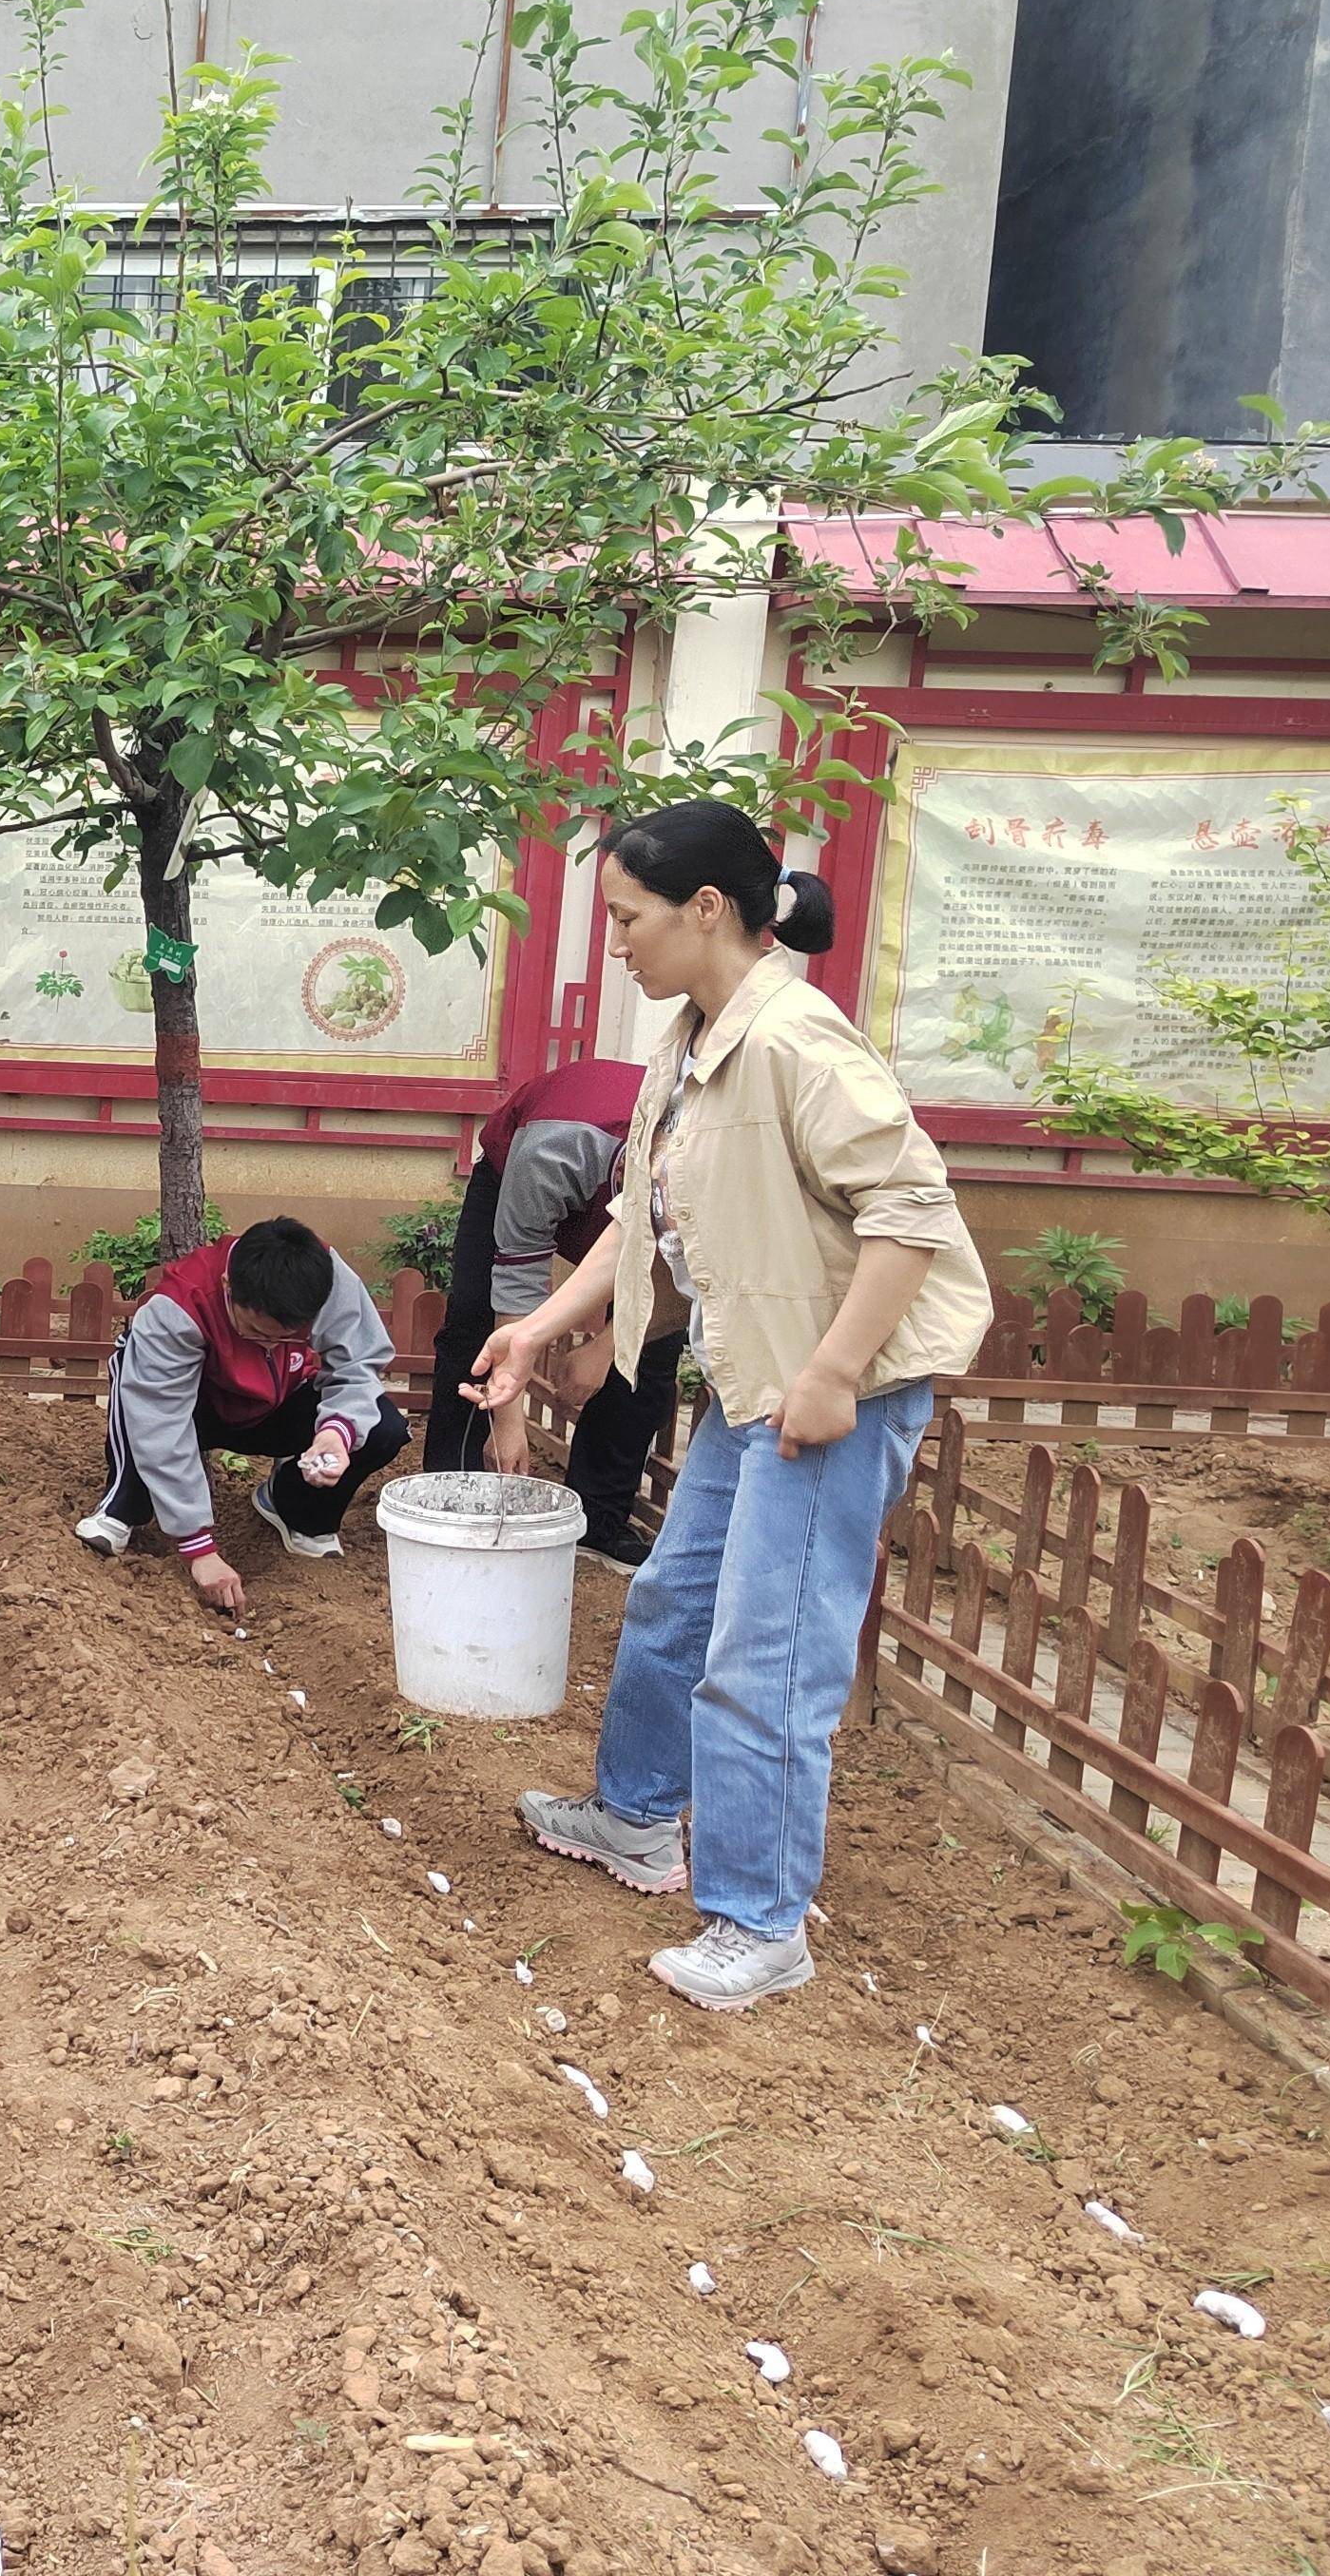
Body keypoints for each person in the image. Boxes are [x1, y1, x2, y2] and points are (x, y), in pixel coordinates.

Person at [471, 802, 991, 2012]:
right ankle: (636, 1818)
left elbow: (909, 1216)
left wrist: (833, 1375)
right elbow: (639, 1220)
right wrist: (541, 1324)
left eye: (627, 919)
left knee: (768, 1658)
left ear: (706, 910)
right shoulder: (694, 1040)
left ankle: (759, 1923)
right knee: (670, 1602)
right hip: (759, 1376)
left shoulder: (800, 1046)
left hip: (823, 1398)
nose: (615, 944)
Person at [423, 1058, 684, 1570]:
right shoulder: (551, 1151)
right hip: (516, 1170)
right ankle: (451, 1491)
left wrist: (607, 1349)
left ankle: (598, 1520)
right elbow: (517, 1285)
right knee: (474, 1322)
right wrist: (508, 1425)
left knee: (649, 1356)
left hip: (639, 1195)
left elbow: (676, 1281)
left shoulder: (705, 1160)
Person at [75, 1216, 411, 1614]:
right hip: (195, 1407)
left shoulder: (327, 1280)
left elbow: (358, 1364)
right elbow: (159, 1419)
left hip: (277, 1400)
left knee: (382, 1427)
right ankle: (125, 1504)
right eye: (257, 1332)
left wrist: (335, 1433)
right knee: (143, 1407)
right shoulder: (178, 1306)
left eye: (287, 1337)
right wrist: (199, 1549)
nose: (271, 1344)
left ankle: (294, 1508)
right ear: (227, 1289)